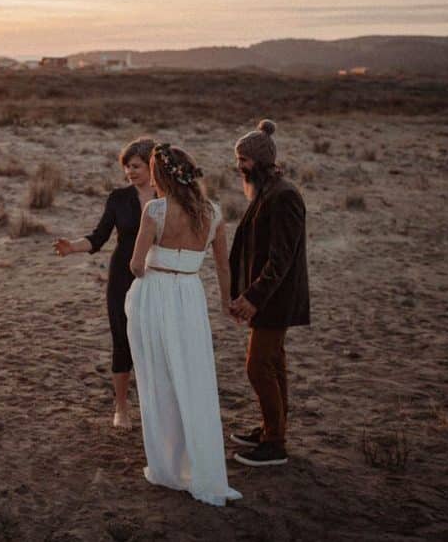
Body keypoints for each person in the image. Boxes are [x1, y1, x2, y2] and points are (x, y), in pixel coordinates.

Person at [124, 143, 242, 506]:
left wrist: (150, 270)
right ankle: (203, 468)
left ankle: (168, 467)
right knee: (194, 378)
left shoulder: (155, 210)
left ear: (161, 176)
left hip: (156, 296)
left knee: (159, 378)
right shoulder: (215, 214)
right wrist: (227, 304)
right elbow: (223, 268)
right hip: (190, 298)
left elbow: (135, 265)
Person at [53, 137, 156, 428]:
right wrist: (72, 246)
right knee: (122, 340)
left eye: (135, 166)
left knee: (153, 342)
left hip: (158, 276)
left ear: (152, 165)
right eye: (126, 167)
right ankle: (121, 408)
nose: (130, 172)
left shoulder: (167, 199)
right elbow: (99, 237)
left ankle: (154, 408)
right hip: (122, 277)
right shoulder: (118, 198)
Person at [228, 119, 310, 468]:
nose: (239, 166)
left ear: (261, 161)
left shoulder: (284, 196)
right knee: (273, 362)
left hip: (276, 298)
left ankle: (275, 443)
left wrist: (253, 298)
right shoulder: (266, 191)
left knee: (258, 365)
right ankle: (271, 429)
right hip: (267, 297)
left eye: (244, 160)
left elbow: (281, 259)